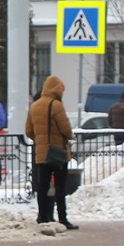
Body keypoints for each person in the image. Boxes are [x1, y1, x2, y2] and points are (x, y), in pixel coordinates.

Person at [25, 76, 78, 229]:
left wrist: (41, 141)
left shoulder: (34, 106)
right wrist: (70, 136)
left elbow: (28, 131)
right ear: (57, 89)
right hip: (58, 152)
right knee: (60, 186)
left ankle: (43, 217)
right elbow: (65, 128)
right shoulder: (56, 105)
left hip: (42, 152)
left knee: (42, 185)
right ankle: (63, 218)